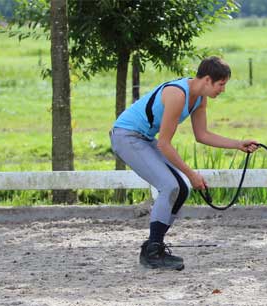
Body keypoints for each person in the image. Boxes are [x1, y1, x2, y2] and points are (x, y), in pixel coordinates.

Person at [110, 56, 259, 271]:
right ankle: (153, 251)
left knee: (181, 191)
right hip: (127, 137)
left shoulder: (199, 98)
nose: (222, 90)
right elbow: (164, 144)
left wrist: (238, 144)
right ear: (207, 80)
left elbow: (202, 135)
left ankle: (153, 247)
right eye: (221, 84)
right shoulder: (178, 95)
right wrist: (191, 173)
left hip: (143, 138)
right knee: (170, 186)